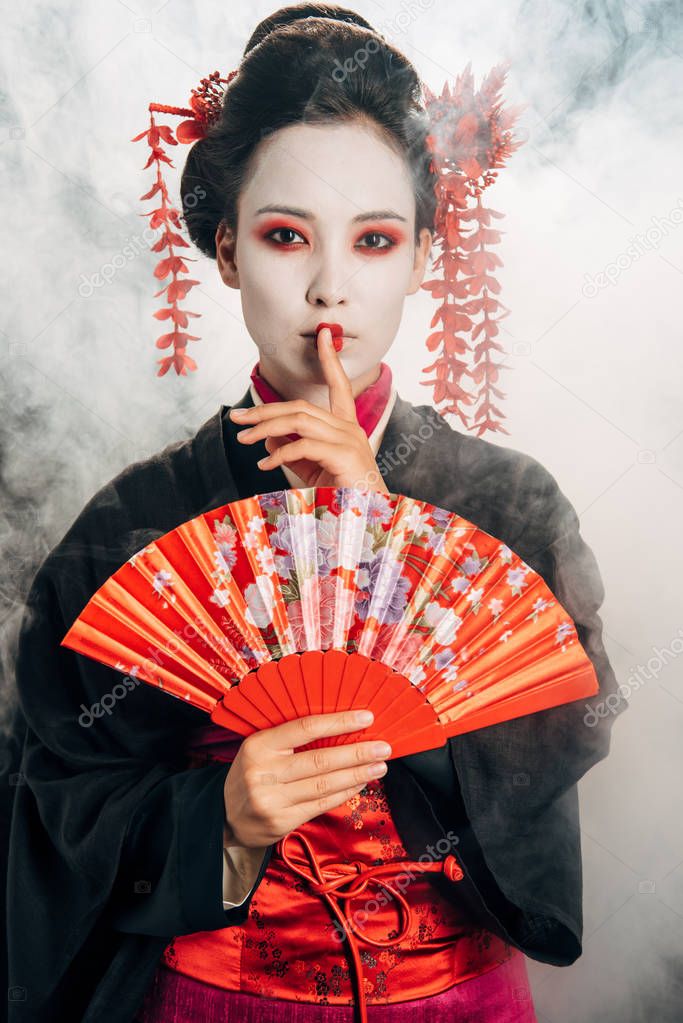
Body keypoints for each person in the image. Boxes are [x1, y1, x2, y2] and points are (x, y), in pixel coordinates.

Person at [5, 4, 628, 1022]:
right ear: (224, 251)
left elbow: (561, 729)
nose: (330, 289)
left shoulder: (507, 503)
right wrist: (222, 820)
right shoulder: (134, 522)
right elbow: (53, 797)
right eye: (285, 235)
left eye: (374, 240)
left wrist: (384, 533)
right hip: (214, 1000)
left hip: (455, 997)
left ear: (423, 256)